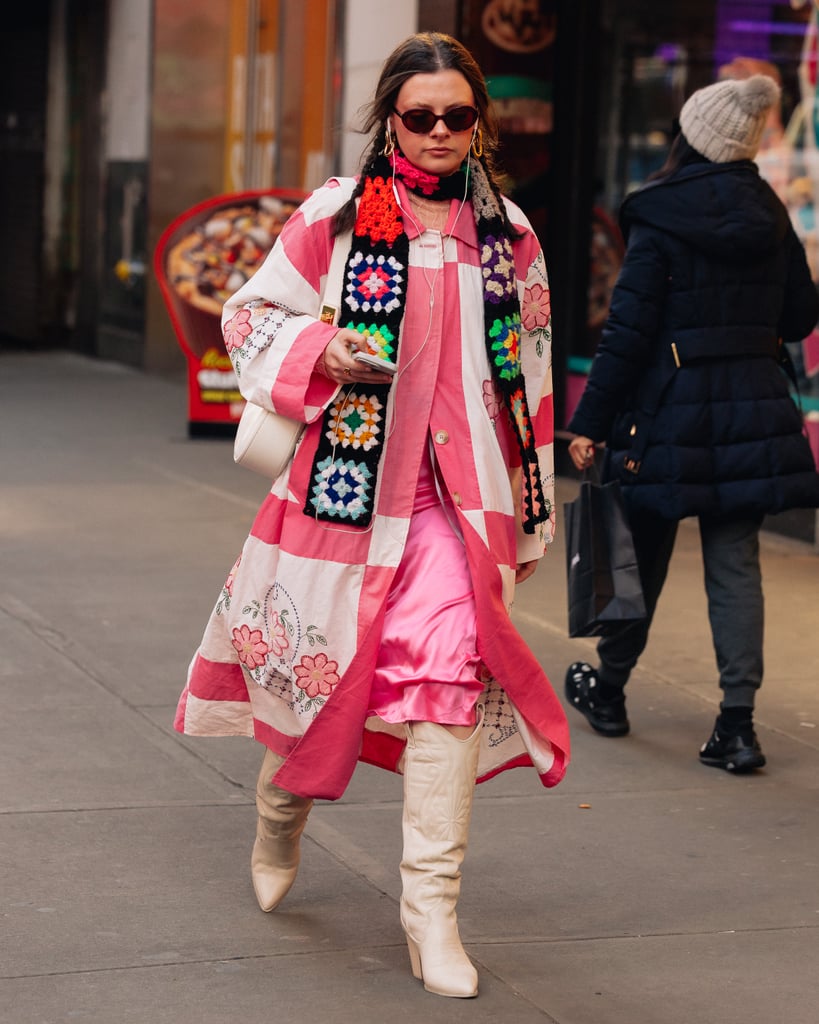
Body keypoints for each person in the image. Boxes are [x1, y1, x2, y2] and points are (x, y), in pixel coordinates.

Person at [174, 32, 569, 999]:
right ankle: (280, 819)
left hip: (457, 507)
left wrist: (530, 512)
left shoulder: (510, 234)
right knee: (318, 680)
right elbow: (248, 316)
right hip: (346, 501)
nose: (438, 133)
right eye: (419, 116)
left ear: (478, 124)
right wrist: (319, 349)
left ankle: (429, 911)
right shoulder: (336, 216)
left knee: (446, 679)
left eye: (457, 116)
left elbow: (537, 375)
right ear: (388, 120)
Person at [565, 74, 819, 774]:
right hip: (750, 408)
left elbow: (626, 331)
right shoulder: (769, 212)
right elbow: (799, 316)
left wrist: (589, 421)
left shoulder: (658, 212)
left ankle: (609, 692)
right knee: (734, 563)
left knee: (637, 554)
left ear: (689, 135)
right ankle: (736, 727)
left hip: (666, 409)